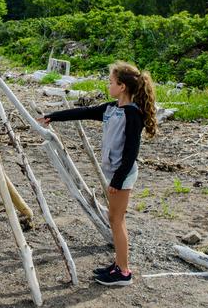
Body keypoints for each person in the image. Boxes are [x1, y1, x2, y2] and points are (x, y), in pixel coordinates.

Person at [37, 61, 157, 286]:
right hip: (115, 173)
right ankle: (118, 264)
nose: (108, 84)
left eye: (111, 82)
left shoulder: (132, 114)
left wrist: (118, 180)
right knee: (114, 218)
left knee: (116, 219)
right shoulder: (112, 109)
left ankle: (123, 273)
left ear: (122, 86)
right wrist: (53, 116)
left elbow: (131, 152)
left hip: (123, 174)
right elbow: (84, 112)